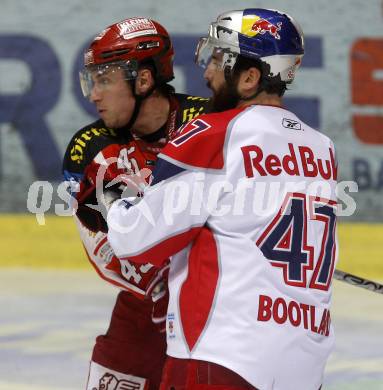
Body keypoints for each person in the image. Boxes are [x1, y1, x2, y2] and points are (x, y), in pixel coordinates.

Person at [107, 8, 338, 390]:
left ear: (249, 77)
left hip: (224, 355)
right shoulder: (322, 148)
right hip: (304, 359)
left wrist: (114, 194)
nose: (207, 72)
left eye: (218, 59)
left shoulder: (214, 133)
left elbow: (137, 240)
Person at [62, 17, 209, 390]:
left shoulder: (211, 125)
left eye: (105, 80)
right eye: (92, 81)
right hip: (142, 313)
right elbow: (102, 245)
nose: (94, 94)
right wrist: (161, 282)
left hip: (214, 308)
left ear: (143, 80)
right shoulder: (89, 151)